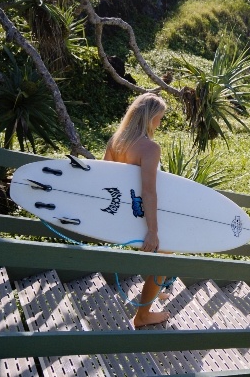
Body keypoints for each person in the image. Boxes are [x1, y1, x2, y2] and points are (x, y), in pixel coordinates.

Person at [104, 92, 171, 327]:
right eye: (159, 118)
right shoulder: (149, 148)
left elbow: (106, 181)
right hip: (142, 215)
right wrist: (152, 230)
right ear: (149, 117)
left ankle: (155, 290)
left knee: (160, 258)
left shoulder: (116, 142)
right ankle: (142, 316)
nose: (160, 123)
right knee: (165, 256)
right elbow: (148, 191)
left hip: (120, 216)